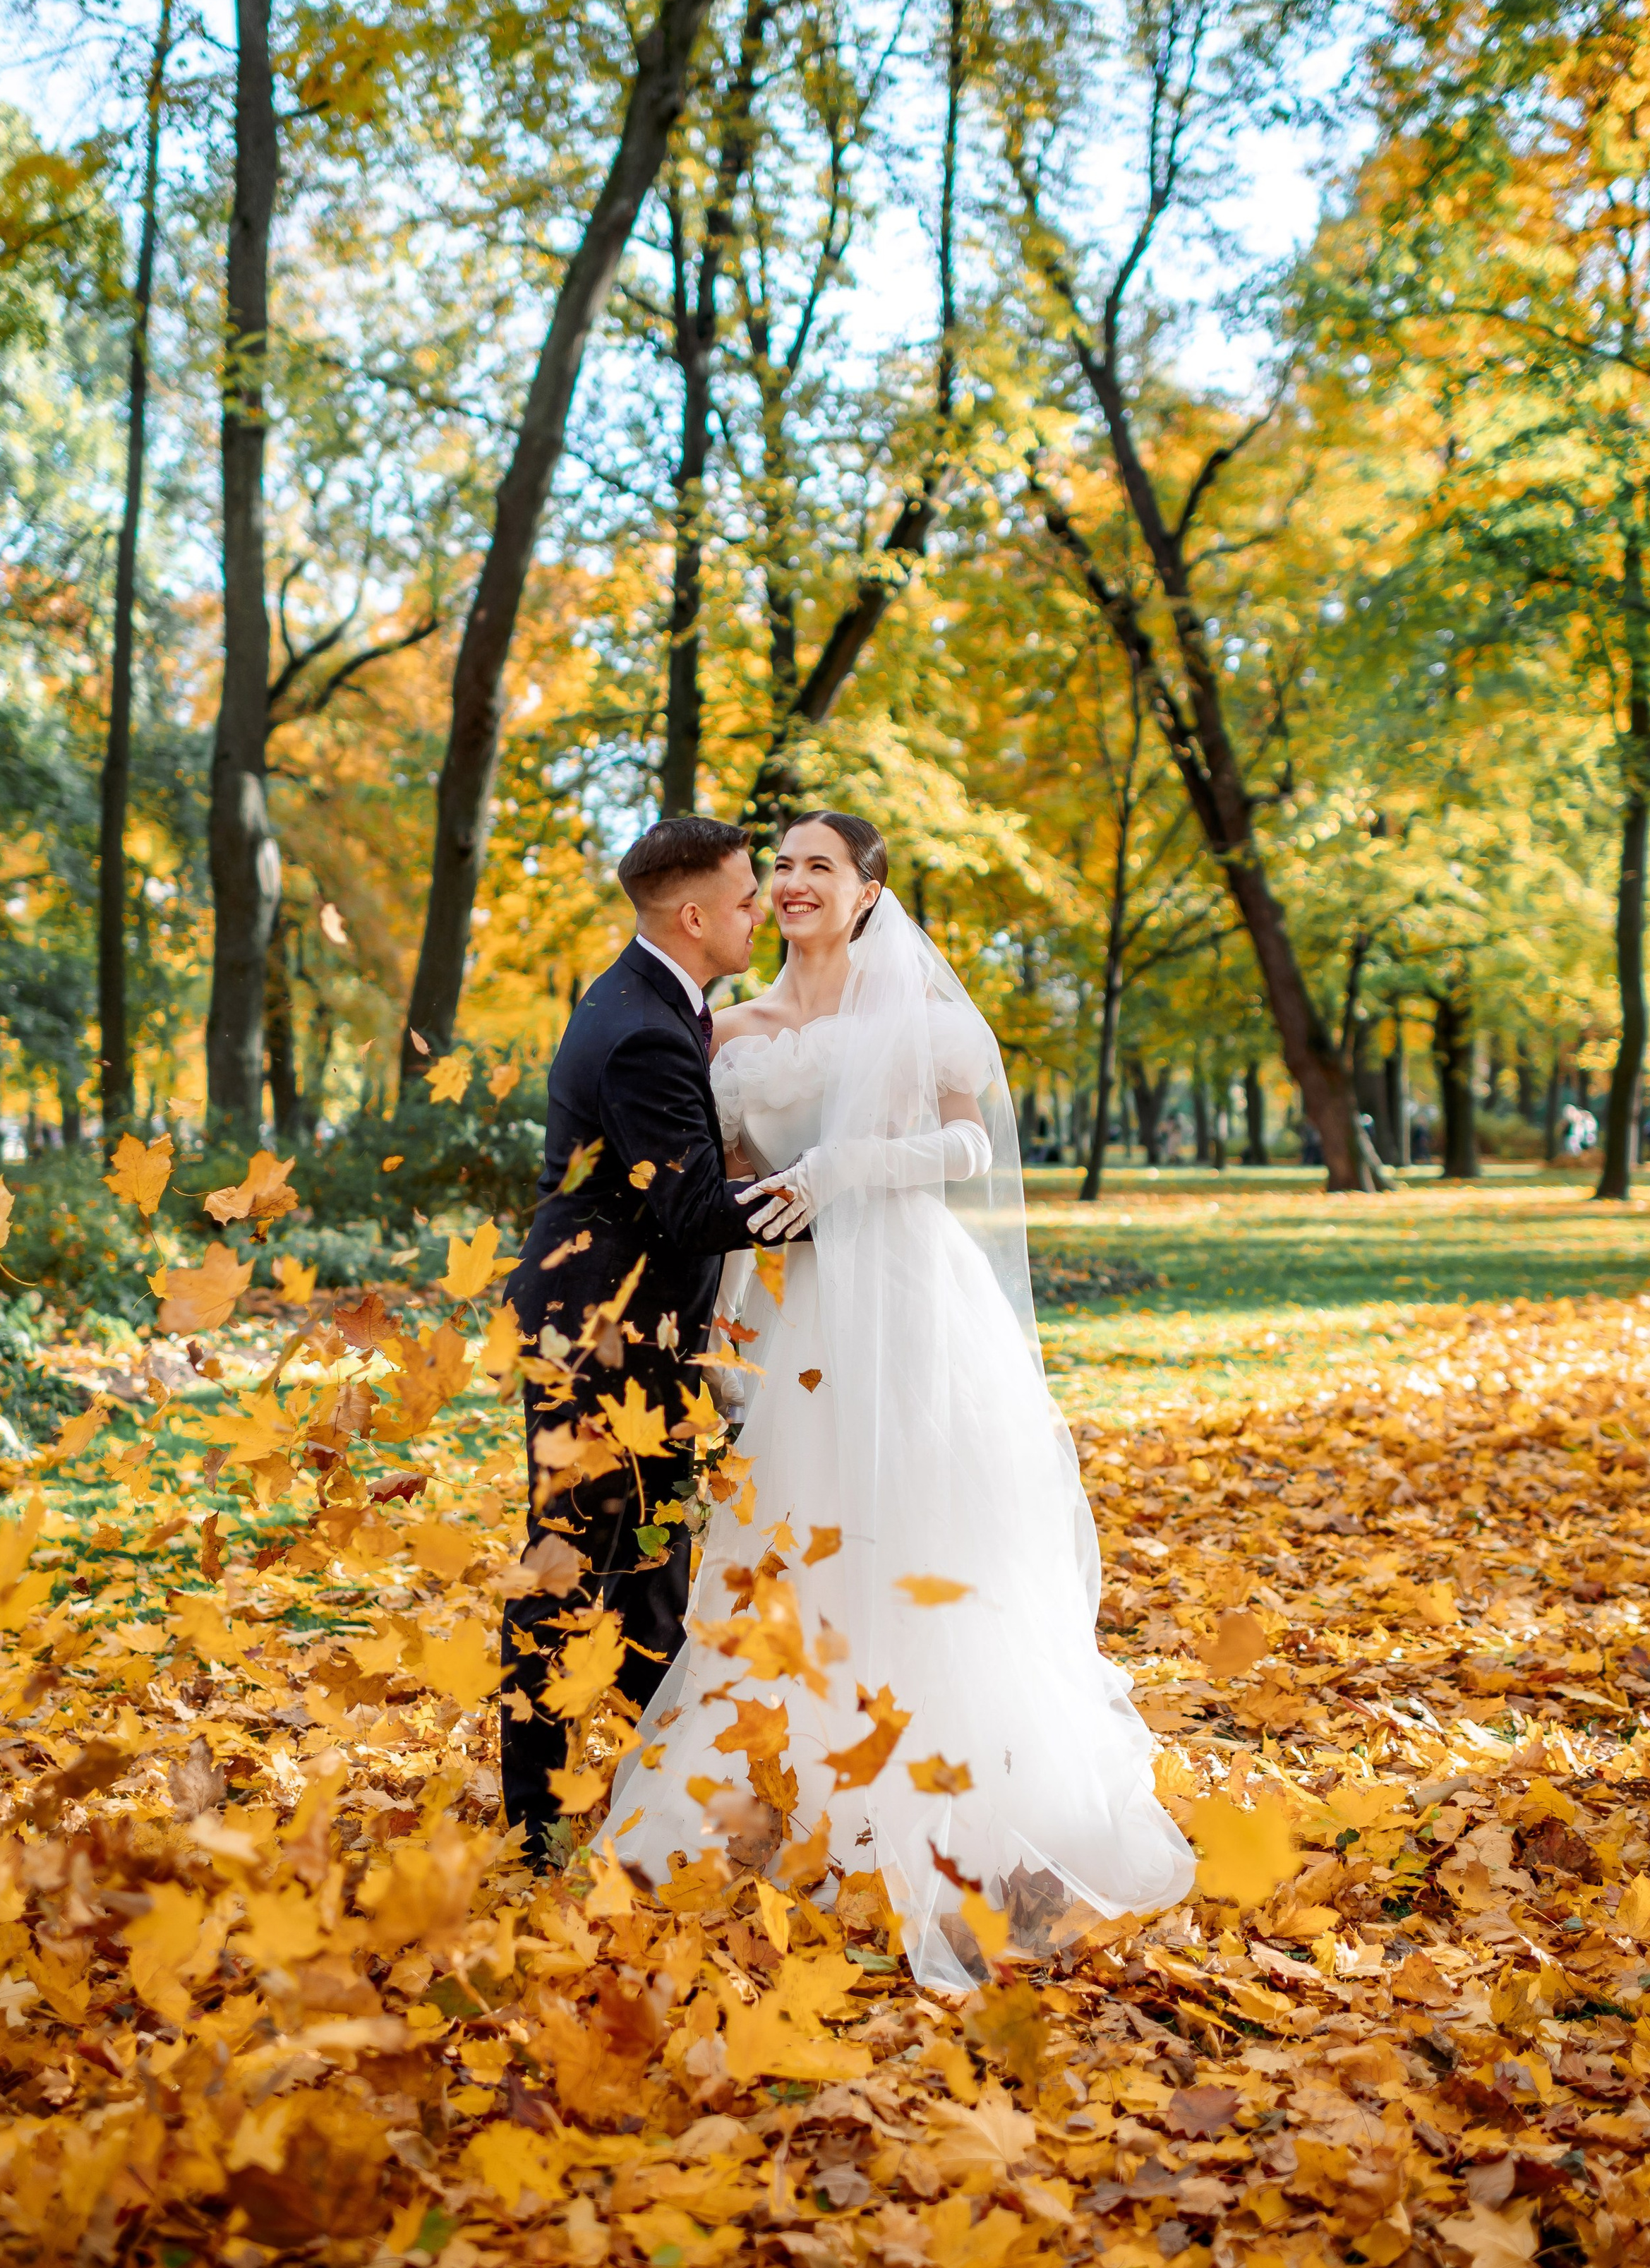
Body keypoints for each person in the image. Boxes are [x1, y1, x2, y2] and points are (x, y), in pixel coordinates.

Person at [608, 810, 1192, 1989]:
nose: (793, 883)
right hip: (802, 1314)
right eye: (780, 867)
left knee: (932, 1542)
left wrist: (850, 1168)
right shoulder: (732, 1030)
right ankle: (795, 1807)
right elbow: (727, 1192)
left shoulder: (922, 1013)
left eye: (819, 866)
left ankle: (965, 1825)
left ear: (868, 892)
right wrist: (724, 1333)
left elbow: (971, 1148)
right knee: (796, 1542)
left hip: (916, 1298)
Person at [500, 815, 768, 1866]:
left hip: (635, 1335)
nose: (760, 912)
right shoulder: (643, 1030)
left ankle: (660, 1796)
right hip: (598, 1343)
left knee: (653, 1571)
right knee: (568, 1567)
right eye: (746, 897)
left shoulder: (655, 1003)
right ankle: (535, 1824)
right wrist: (842, 1194)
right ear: (694, 916)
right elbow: (694, 1212)